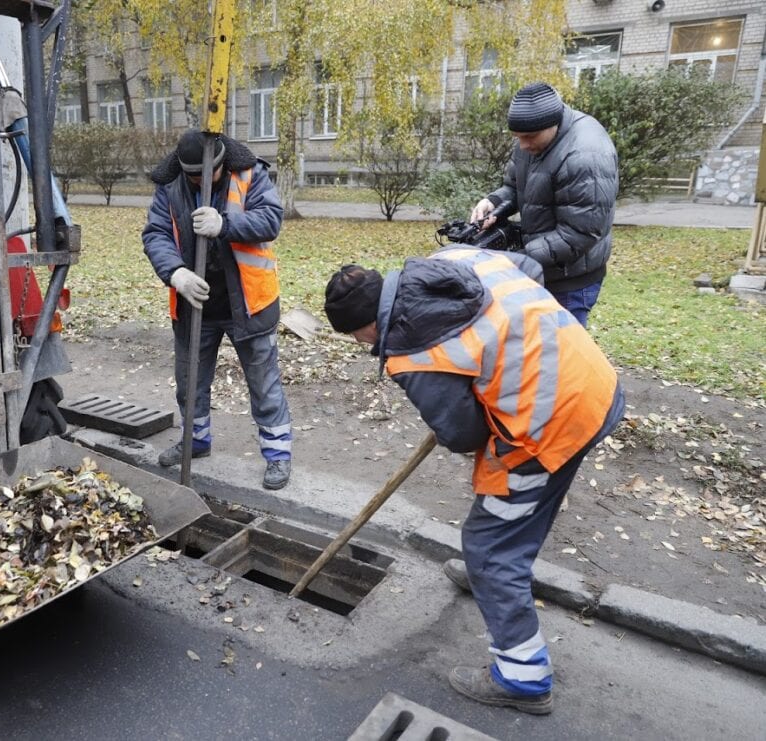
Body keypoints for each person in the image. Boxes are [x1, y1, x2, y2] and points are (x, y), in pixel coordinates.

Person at [323, 246, 625, 715]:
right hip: (590, 380)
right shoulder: (452, 261)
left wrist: (460, 391)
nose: (363, 345)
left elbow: (463, 434)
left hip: (546, 424)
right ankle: (494, 575)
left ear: (366, 325)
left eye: (358, 337)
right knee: (517, 515)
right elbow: (530, 268)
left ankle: (523, 679)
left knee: (490, 545)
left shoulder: (410, 350)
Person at [142, 130, 292, 490]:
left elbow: (271, 219)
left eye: (210, 173)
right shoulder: (171, 185)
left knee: (264, 384)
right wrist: (175, 273)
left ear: (222, 163)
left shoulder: (249, 174)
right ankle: (196, 441)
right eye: (195, 177)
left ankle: (278, 456)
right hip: (196, 304)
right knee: (190, 382)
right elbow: (156, 234)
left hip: (249, 302)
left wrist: (226, 223)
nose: (203, 181)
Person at [470, 81, 618, 328]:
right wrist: (493, 203)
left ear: (553, 124)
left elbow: (580, 233)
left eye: (528, 138)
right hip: (542, 267)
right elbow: (516, 186)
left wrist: (518, 260)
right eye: (517, 138)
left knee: (563, 356)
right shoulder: (532, 137)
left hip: (571, 280)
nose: (522, 146)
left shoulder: (585, 155)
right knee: (536, 346)